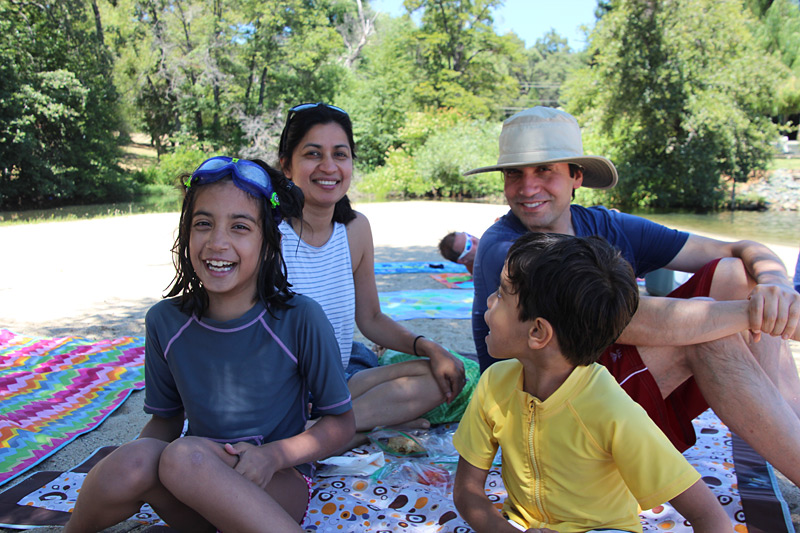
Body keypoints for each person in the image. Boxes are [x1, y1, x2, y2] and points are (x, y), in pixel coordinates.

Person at [467, 106, 800, 487]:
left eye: (545, 170)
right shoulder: (509, 247)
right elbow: (626, 321)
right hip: (549, 425)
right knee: (711, 337)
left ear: (576, 176)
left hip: (604, 395)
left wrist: (778, 287)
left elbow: (739, 248)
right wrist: (755, 314)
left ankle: (786, 432)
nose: (527, 188)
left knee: (736, 274)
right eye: (515, 173)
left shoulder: (605, 224)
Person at [64, 157, 355, 533]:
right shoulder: (164, 322)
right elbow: (165, 421)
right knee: (137, 456)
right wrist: (131, 465)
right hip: (191, 480)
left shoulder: (300, 319)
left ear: (269, 243)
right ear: (186, 234)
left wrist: (272, 456)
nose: (218, 242)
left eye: (240, 227)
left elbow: (341, 423)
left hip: (275, 486)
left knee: (184, 455)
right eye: (203, 224)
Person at [453, 233, 730, 533]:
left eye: (501, 294)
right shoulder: (494, 383)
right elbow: (467, 493)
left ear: (537, 332)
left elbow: (711, 518)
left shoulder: (612, 410)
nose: (488, 302)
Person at [276, 103, 469, 449]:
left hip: (335, 389)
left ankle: (324, 430)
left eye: (340, 154)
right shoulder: (266, 234)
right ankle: (346, 429)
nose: (329, 167)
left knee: (438, 375)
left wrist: (429, 346)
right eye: (312, 154)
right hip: (278, 391)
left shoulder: (354, 229)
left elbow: (371, 318)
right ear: (286, 166)